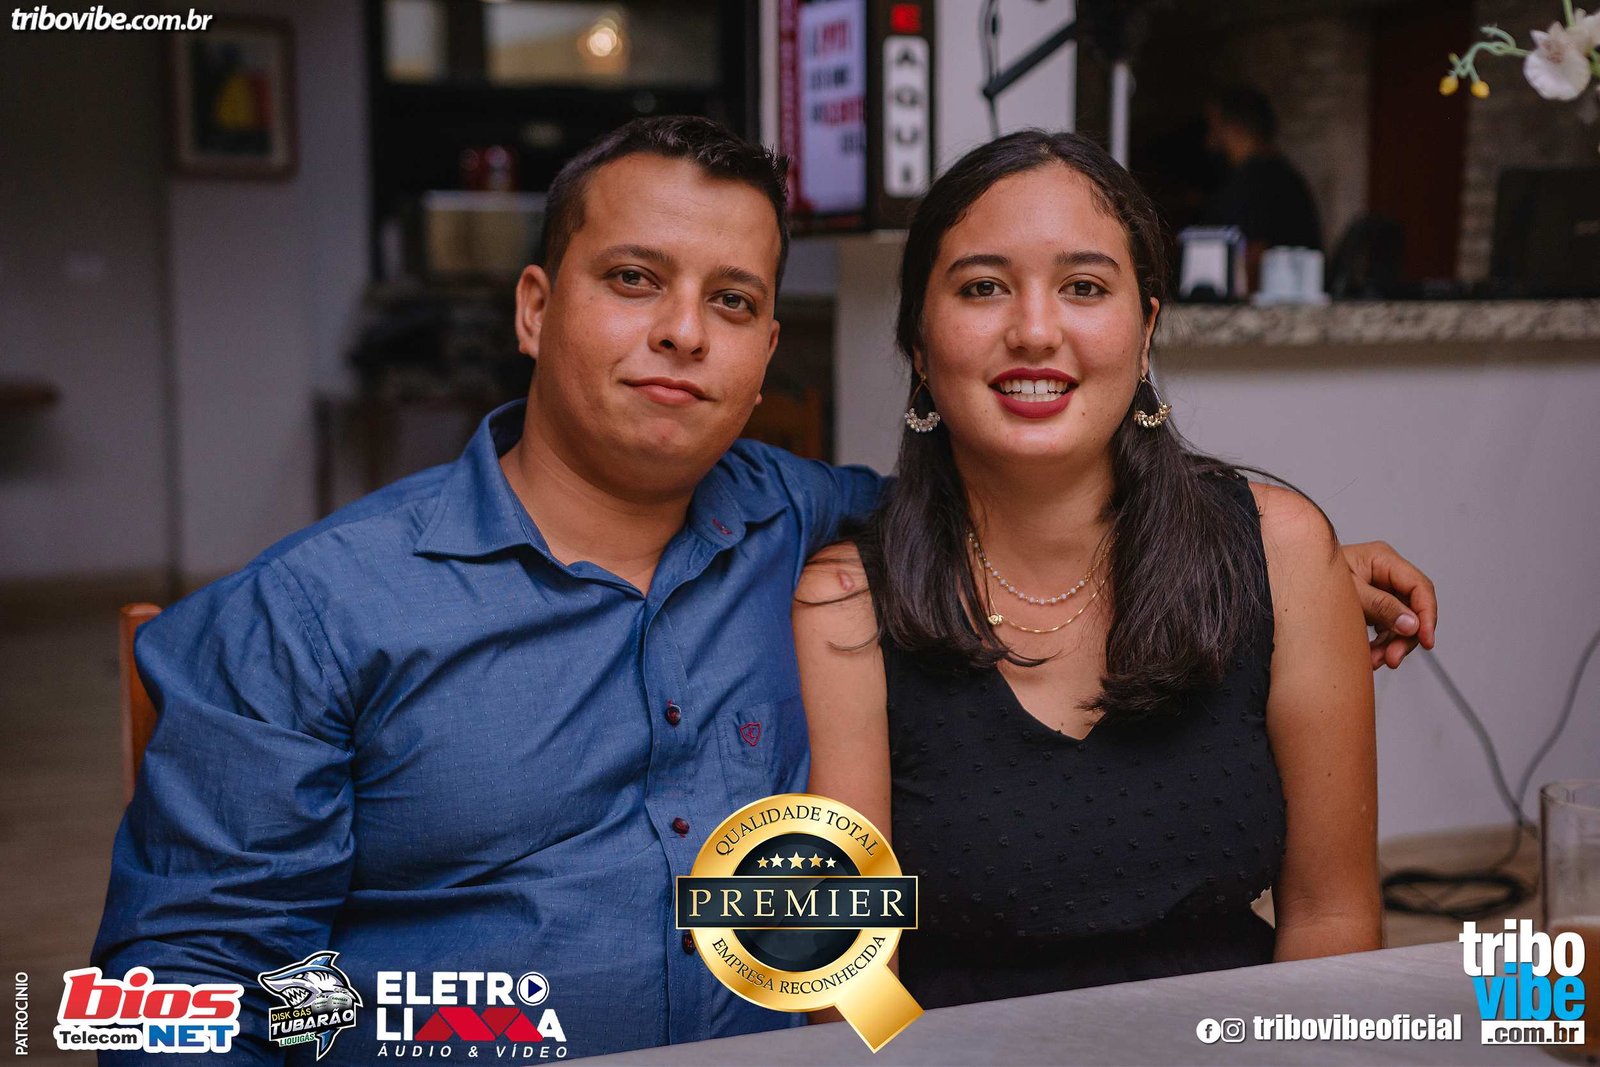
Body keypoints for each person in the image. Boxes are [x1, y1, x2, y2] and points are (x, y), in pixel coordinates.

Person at [94, 117, 1431, 1062]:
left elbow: (1020, 497)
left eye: (731, 300)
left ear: (768, 346)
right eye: (634, 280)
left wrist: (1300, 568)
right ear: (534, 307)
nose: (684, 331)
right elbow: (169, 997)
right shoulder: (312, 614)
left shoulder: (814, 530)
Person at [796, 129, 1385, 1011]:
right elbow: (845, 974)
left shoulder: (1283, 551)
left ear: (1145, 330)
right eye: (983, 287)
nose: (1036, 331)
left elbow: (1333, 913)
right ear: (918, 340)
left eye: (1084, 287)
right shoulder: (845, 603)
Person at [1204, 84, 1323, 287]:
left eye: (1214, 126)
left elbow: (1253, 255)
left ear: (1234, 128)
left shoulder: (1254, 180)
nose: (1208, 139)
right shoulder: (1283, 174)